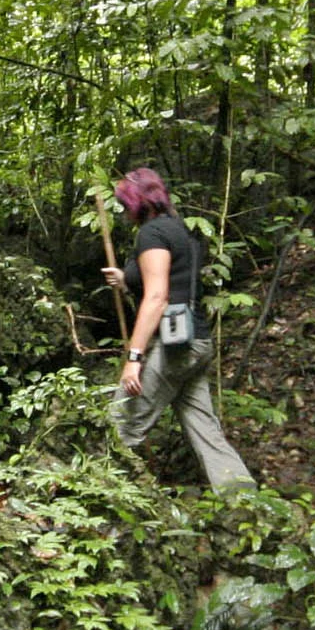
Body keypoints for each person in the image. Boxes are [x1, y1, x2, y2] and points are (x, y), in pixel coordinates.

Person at [100, 168, 256, 491]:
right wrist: (125, 278)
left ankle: (100, 503)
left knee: (118, 427)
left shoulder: (151, 235)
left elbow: (158, 297)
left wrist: (134, 357)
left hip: (173, 348)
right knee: (205, 430)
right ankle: (246, 502)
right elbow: (172, 281)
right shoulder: (179, 229)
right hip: (196, 343)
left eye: (125, 204)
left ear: (137, 203)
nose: (124, 212)